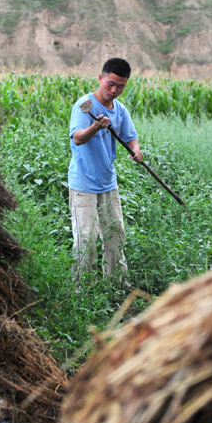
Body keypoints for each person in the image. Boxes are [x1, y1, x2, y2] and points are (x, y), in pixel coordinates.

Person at [68, 57, 143, 287]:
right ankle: (84, 288)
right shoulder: (84, 105)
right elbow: (78, 138)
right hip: (83, 184)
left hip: (108, 183)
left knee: (115, 236)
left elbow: (130, 137)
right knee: (86, 240)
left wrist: (136, 151)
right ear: (100, 79)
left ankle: (117, 282)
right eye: (110, 84)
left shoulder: (120, 110)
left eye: (120, 86)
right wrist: (95, 127)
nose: (114, 90)